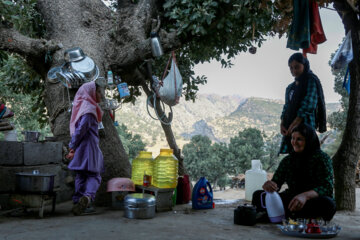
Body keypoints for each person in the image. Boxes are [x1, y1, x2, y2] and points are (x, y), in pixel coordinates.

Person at [252, 123, 336, 221]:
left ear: (309, 141)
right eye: (292, 138)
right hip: (291, 199)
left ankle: (285, 215)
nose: (294, 142)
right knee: (258, 195)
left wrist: (305, 196)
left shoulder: (322, 159)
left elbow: (327, 188)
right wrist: (270, 185)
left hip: (312, 201)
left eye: (299, 139)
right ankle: (293, 215)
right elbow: (276, 182)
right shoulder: (288, 160)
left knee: (328, 204)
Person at [66, 81, 104, 216]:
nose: (101, 94)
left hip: (81, 147)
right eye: (99, 91)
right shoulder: (89, 109)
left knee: (80, 175)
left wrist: (74, 146)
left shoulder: (81, 106)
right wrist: (72, 144)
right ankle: (87, 199)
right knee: (95, 175)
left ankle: (77, 202)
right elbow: (82, 129)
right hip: (89, 147)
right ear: (91, 92)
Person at [279, 52, 326, 154]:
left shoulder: (311, 81)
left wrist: (293, 126)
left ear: (305, 65)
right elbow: (286, 106)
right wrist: (282, 124)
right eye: (291, 68)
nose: (294, 70)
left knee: (307, 154)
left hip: (306, 125)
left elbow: (309, 105)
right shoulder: (290, 88)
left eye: (297, 67)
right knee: (293, 156)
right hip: (290, 128)